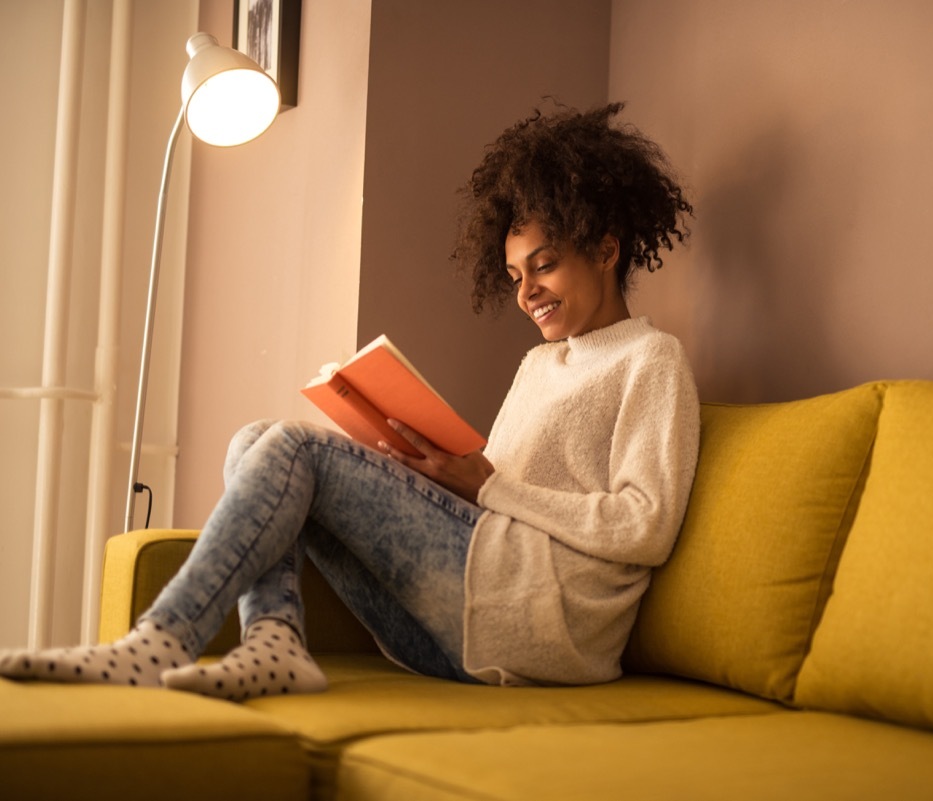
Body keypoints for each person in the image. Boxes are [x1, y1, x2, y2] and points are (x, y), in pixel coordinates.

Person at [0, 102, 699, 696]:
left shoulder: (651, 359)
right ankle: (274, 640)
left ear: (607, 249)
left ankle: (159, 639)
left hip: (548, 626)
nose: (527, 292)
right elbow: (494, 496)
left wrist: (487, 487)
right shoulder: (541, 363)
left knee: (293, 446)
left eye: (544, 265)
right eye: (515, 274)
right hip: (464, 622)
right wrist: (422, 467)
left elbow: (646, 524)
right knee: (255, 441)